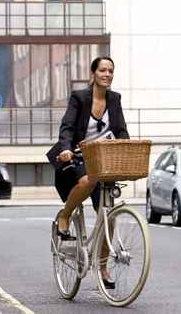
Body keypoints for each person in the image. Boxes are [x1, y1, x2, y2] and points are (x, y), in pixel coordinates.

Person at [47, 56, 129, 288]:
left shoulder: (114, 99)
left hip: (104, 159)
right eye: (103, 70)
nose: (107, 74)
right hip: (77, 156)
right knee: (87, 180)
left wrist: (126, 147)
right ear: (93, 73)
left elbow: (121, 130)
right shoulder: (79, 97)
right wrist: (64, 149)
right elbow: (67, 127)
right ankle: (65, 215)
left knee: (108, 216)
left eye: (111, 71)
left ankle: (102, 267)